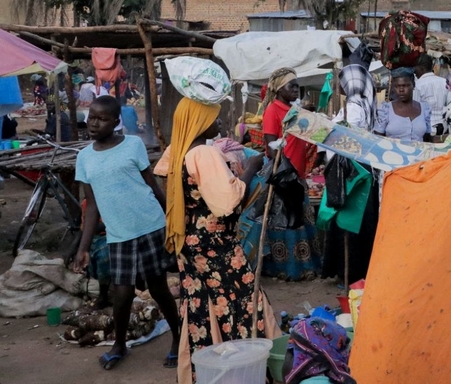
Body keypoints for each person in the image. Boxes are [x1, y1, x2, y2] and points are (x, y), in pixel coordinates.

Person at [154, 97, 275, 384]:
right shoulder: (204, 155)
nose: (220, 124)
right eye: (215, 118)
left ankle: (205, 372)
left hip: (190, 242)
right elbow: (228, 203)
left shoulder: (177, 151)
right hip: (215, 243)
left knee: (202, 303)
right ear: (200, 122)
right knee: (243, 300)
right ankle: (246, 369)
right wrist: (251, 168)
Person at [71, 96, 181, 370]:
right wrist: (83, 247)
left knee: (158, 288)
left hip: (150, 225)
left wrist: (174, 217)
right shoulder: (84, 158)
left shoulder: (133, 145)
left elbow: (151, 185)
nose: (94, 123)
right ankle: (119, 344)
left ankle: (179, 338)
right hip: (119, 234)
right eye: (91, 116)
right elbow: (93, 206)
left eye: (102, 119)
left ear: (116, 121)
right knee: (122, 294)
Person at [261, 68, 316, 178]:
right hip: (286, 175)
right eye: (291, 86)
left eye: (297, 86)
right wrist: (286, 174)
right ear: (279, 89)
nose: (296, 89)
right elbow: (272, 149)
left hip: (298, 173)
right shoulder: (272, 110)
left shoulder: (294, 110)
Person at [375, 68, 433, 143]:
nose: (401, 90)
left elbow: (427, 139)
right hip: (393, 153)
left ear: (413, 85)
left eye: (405, 85)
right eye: (397, 86)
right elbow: (378, 139)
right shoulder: (385, 110)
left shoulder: (424, 109)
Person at [412, 55, 449, 136]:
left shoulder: (418, 86)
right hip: (444, 129)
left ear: (422, 68)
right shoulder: (444, 82)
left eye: (415, 69)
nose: (414, 72)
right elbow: (449, 105)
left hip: (426, 131)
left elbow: (415, 111)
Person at [335, 62, 376, 131]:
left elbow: (345, 130)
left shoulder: (353, 107)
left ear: (351, 84)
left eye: (343, 82)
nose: (340, 85)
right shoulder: (363, 104)